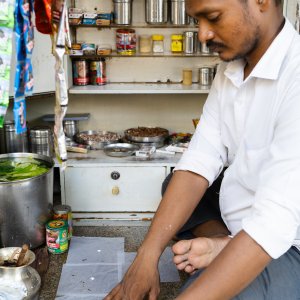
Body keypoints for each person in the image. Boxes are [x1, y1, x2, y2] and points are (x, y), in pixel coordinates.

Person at [105, 0, 300, 299]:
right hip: (249, 216)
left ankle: (228, 246)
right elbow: (200, 160)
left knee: (204, 289)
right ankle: (223, 240)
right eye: (197, 21)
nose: (203, 34)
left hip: (287, 243)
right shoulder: (233, 69)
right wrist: (146, 256)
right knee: (176, 183)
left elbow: (272, 226)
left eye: (212, 17)